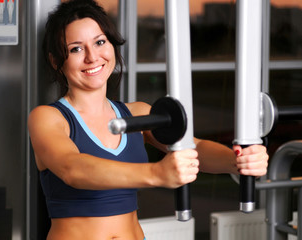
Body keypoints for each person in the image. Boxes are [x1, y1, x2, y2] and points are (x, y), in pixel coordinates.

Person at [28, 0, 269, 239]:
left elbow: (194, 148)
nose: (92, 57)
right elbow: (74, 169)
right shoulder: (48, 118)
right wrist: (157, 173)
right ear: (56, 61)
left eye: (100, 42)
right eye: (76, 49)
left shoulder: (138, 114)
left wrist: (238, 162)